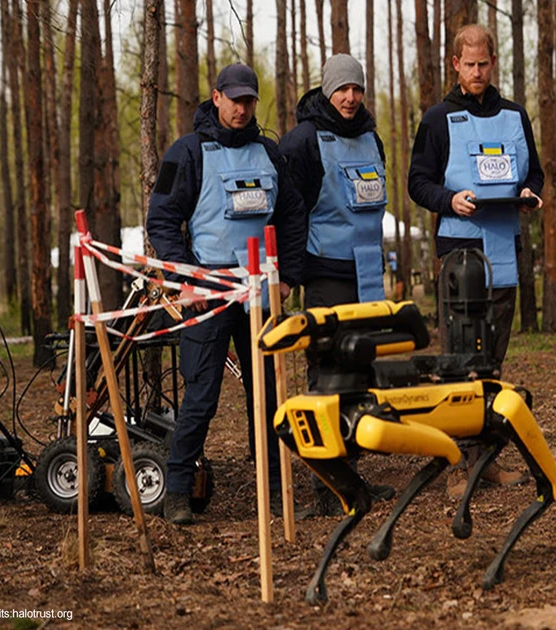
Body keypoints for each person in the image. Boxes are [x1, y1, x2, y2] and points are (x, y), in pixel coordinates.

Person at [147, 63, 307, 524]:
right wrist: (187, 278)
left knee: (269, 395)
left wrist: (288, 276)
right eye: (234, 99)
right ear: (216, 98)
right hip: (210, 288)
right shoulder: (188, 153)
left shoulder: (270, 153)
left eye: (249, 100)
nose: (242, 108)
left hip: (260, 291)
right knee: (201, 395)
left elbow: (293, 216)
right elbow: (162, 220)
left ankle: (276, 490)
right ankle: (177, 492)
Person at [408, 24, 543, 496]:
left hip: (505, 247)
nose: (478, 71)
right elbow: (417, 182)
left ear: (493, 63)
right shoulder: (438, 117)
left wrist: (530, 194)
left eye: (485, 63)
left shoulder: (515, 115)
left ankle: (485, 459)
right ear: (455, 65)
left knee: (493, 362)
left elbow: (536, 174)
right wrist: (449, 200)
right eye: (470, 64)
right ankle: (457, 466)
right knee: (459, 360)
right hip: (459, 253)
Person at [279, 54, 395, 517]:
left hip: (367, 272)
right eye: (342, 89)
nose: (350, 97)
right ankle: (325, 486)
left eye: (357, 89)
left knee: (361, 376)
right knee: (327, 376)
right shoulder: (304, 141)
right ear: (327, 91)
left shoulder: (371, 137)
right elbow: (290, 213)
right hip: (325, 272)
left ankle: (352, 476)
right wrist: (291, 272)